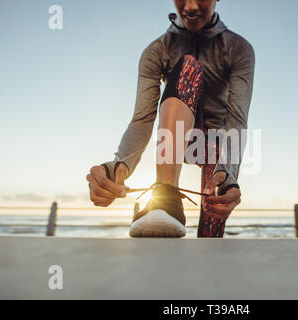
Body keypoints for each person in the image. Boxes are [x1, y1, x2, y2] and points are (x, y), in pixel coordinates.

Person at [86, 0, 255, 238]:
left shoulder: (238, 48)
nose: (191, 6)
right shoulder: (157, 50)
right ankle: (166, 197)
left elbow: (236, 118)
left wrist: (228, 171)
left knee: (213, 225)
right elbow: (142, 118)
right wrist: (119, 165)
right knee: (188, 66)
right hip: (174, 140)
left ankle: (210, 247)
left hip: (217, 149)